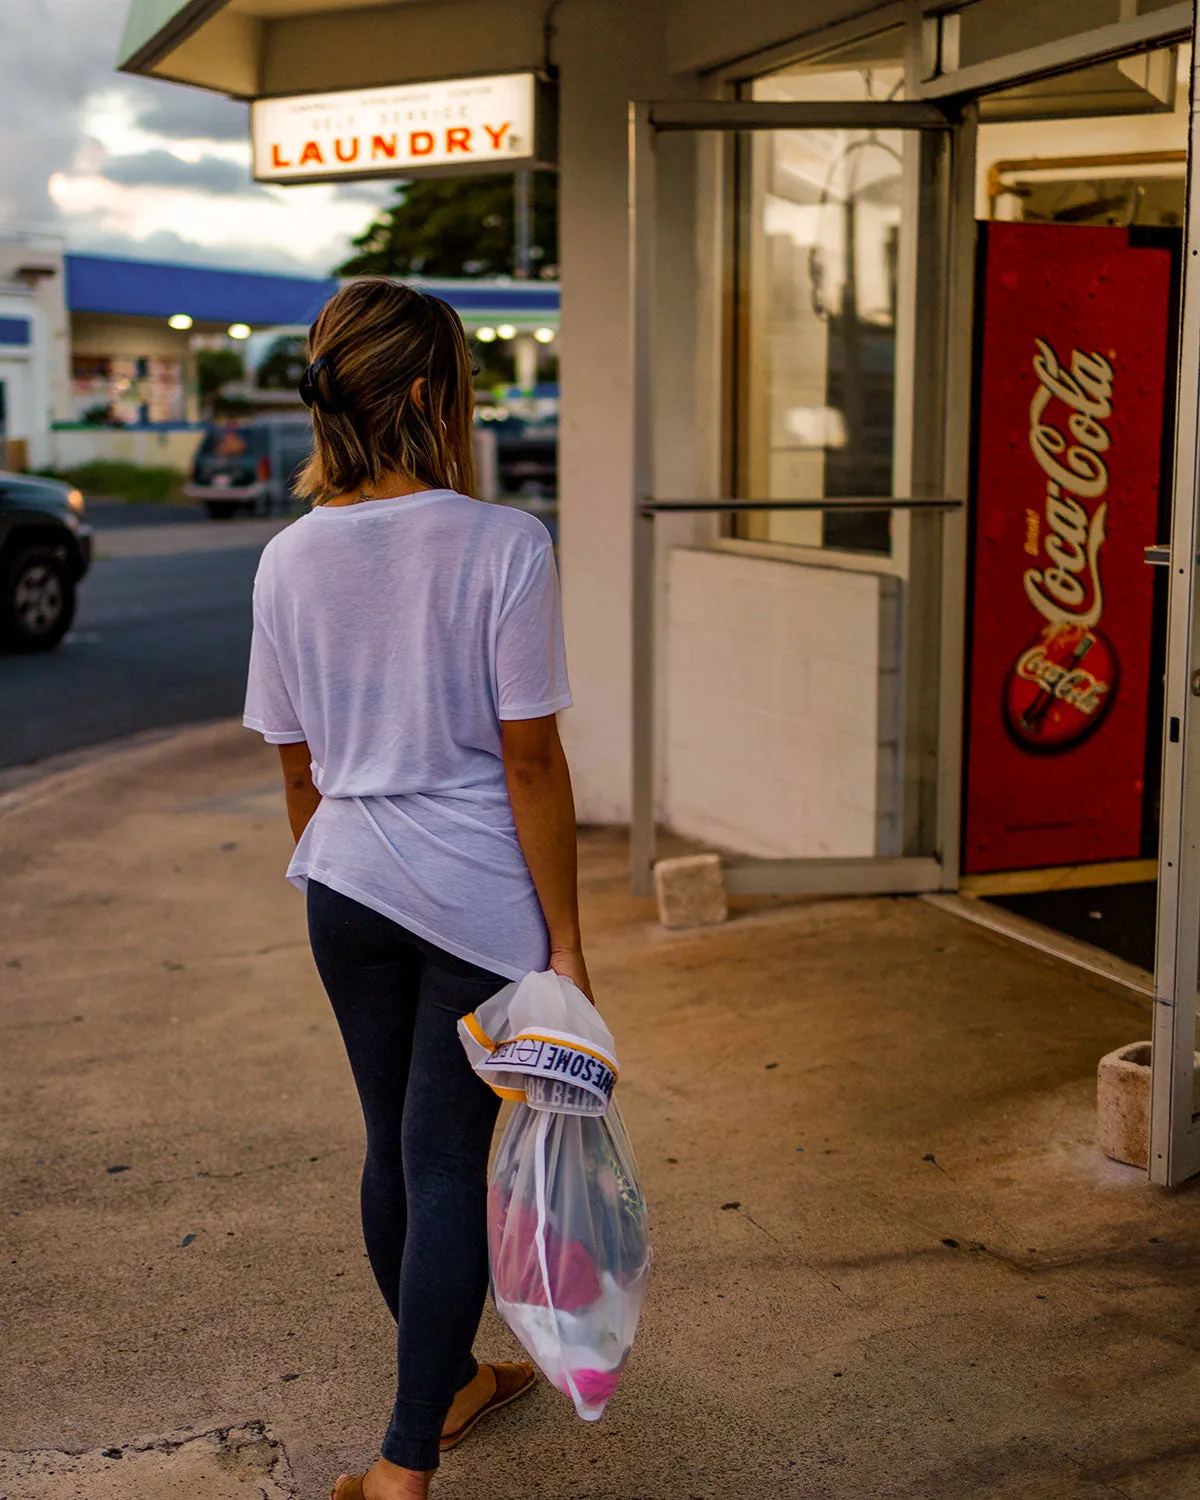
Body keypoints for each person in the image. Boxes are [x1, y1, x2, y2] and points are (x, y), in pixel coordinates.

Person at [242, 278, 591, 1500]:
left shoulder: (287, 559)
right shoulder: (505, 544)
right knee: (446, 1159)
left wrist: (346, 867)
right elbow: (531, 760)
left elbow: (298, 770)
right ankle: (404, 1461)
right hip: (475, 894)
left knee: (390, 1144)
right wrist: (567, 944)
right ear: (434, 396)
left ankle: (445, 1385)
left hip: (343, 887)